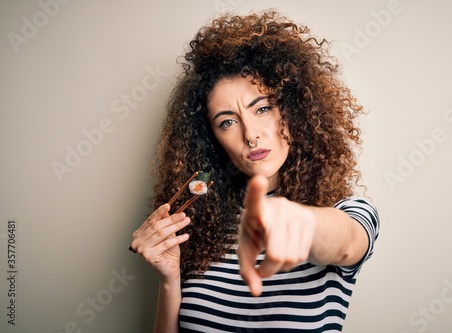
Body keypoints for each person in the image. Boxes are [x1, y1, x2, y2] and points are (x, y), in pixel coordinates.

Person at [129, 10, 379, 332]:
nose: (250, 134)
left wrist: (295, 218)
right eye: (227, 121)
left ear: (294, 111)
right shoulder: (204, 226)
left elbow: (346, 242)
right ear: (212, 139)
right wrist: (169, 279)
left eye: (262, 108)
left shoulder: (351, 211)